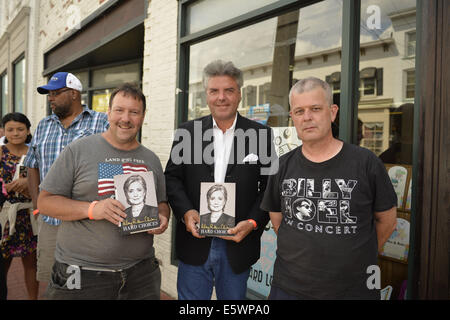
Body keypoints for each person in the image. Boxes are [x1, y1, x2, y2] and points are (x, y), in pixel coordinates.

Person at [261, 77, 397, 300]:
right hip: (289, 289)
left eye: (315, 108)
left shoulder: (366, 163)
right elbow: (278, 221)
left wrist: (355, 258)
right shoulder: (282, 166)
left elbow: (388, 222)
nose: (307, 117)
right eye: (299, 111)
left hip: (352, 290)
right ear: (292, 118)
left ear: (332, 112)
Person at [37, 83, 169, 300]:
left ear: (143, 117)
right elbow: (45, 202)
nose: (125, 118)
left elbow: (162, 202)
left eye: (134, 112)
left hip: (141, 275)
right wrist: (93, 209)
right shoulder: (78, 150)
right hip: (81, 273)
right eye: (119, 110)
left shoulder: (151, 159)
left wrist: (162, 216)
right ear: (108, 113)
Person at [165, 60, 276, 300]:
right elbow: (172, 178)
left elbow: (270, 186)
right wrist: (186, 212)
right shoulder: (187, 132)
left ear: (239, 95)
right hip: (195, 243)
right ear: (206, 95)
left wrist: (253, 223)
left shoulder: (261, 135)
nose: (221, 97)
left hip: (238, 245)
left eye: (229, 90)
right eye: (214, 91)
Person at [23, 72, 109, 286]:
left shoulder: (101, 122)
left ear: (73, 94)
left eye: (56, 93)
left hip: (89, 221)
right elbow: (32, 164)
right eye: (49, 94)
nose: (51, 98)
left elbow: (114, 162)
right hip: (51, 221)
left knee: (90, 283)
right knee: (55, 283)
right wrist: (37, 205)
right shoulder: (44, 125)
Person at [0, 113, 39, 299]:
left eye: (20, 129)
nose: (15, 133)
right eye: (10, 129)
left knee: (32, 264)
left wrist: (28, 183)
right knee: (3, 263)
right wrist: (6, 188)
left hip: (30, 215)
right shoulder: (0, 152)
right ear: (4, 131)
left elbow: (45, 180)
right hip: (5, 217)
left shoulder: (35, 152)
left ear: (28, 130)